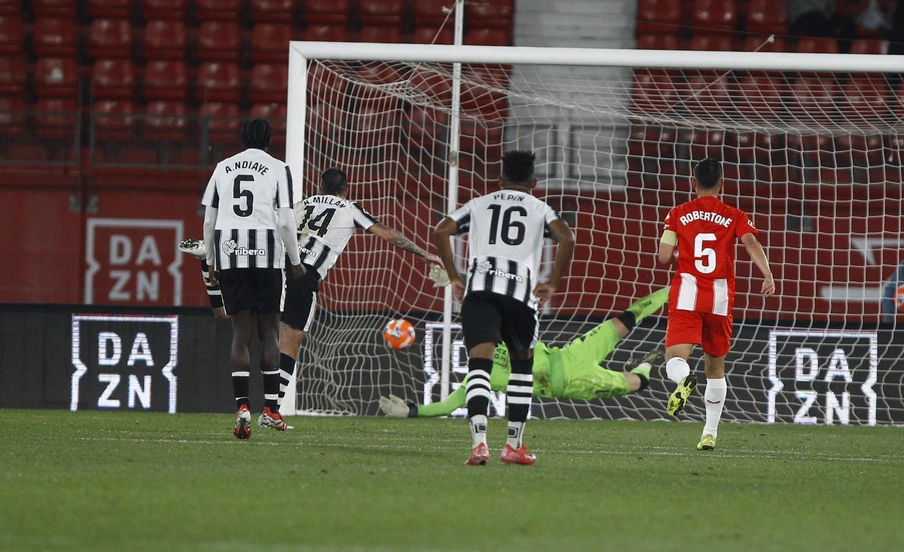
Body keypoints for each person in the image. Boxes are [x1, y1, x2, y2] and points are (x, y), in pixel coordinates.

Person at [432, 150, 576, 466]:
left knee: (479, 364)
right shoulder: (540, 208)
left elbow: (442, 230)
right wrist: (551, 283)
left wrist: (456, 277)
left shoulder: (480, 203)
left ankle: (478, 444)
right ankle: (513, 446)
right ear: (534, 182)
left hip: (481, 289)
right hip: (520, 294)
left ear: (499, 180)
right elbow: (567, 238)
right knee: (522, 364)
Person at [259, 166, 437, 408]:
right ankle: (273, 408)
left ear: (320, 186)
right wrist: (422, 252)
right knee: (291, 340)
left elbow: (279, 227)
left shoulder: (304, 203)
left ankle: (251, 403)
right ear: (346, 189)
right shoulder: (349, 208)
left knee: (270, 335)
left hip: (276, 268)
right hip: (304, 273)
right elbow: (387, 233)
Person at [382, 289, 671, 417]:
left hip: (570, 354)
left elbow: (483, 303)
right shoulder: (477, 376)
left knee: (624, 320)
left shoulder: (501, 333)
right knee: (635, 383)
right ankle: (645, 368)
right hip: (570, 383)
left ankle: (674, 290)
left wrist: (453, 283)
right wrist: (411, 411)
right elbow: (448, 405)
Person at [659, 157, 775, 451]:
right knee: (716, 369)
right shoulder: (734, 214)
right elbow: (751, 243)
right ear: (722, 184)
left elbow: (663, 257)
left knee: (675, 358)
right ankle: (709, 433)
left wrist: (676, 255)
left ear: (692, 182)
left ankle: (684, 380)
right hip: (720, 300)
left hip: (687, 295)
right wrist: (768, 275)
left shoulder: (677, 213)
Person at [199, 117, 304, 436]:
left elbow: (209, 220)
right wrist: (295, 260)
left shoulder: (222, 167)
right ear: (269, 140)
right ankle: (271, 409)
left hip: (230, 250)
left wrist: (211, 259)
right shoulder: (279, 168)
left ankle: (242, 406)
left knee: (240, 333)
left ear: (242, 139)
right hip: (267, 254)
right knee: (269, 331)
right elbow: (286, 221)